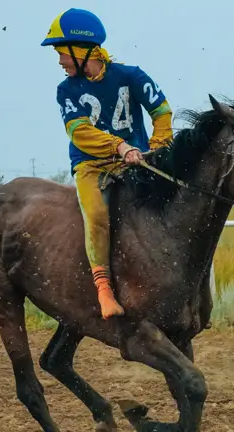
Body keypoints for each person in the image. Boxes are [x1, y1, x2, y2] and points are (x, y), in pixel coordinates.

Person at [42, 8, 174, 319]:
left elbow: (162, 112)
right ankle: (103, 289)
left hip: (136, 162)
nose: (60, 61)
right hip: (91, 166)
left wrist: (157, 147)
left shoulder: (131, 76)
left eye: (62, 53)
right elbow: (79, 132)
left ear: (82, 50)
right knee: (98, 215)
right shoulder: (66, 90)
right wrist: (119, 145)